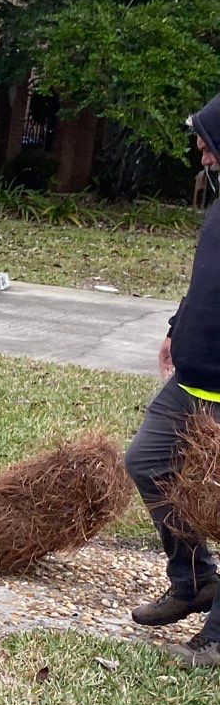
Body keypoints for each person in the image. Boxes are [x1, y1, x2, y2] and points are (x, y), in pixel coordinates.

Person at [126, 92, 220, 666]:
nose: (202, 154)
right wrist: (176, 326)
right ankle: (193, 580)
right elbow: (205, 281)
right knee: (148, 462)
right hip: (193, 380)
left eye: (208, 143)